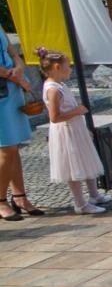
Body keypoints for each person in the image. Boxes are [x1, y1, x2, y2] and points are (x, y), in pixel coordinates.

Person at [37, 48, 102, 215]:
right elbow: (54, 116)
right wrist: (77, 111)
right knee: (73, 166)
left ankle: (94, 195)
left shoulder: (60, 85)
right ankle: (80, 203)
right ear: (57, 67)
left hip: (74, 128)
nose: (70, 69)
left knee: (84, 158)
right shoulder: (53, 89)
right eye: (68, 66)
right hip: (65, 131)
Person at [0, 36, 39, 222]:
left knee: (14, 146)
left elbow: (13, 52)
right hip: (4, 87)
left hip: (12, 87)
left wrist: (19, 67)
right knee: (7, 148)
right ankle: (0, 200)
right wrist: (11, 75)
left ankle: (20, 196)